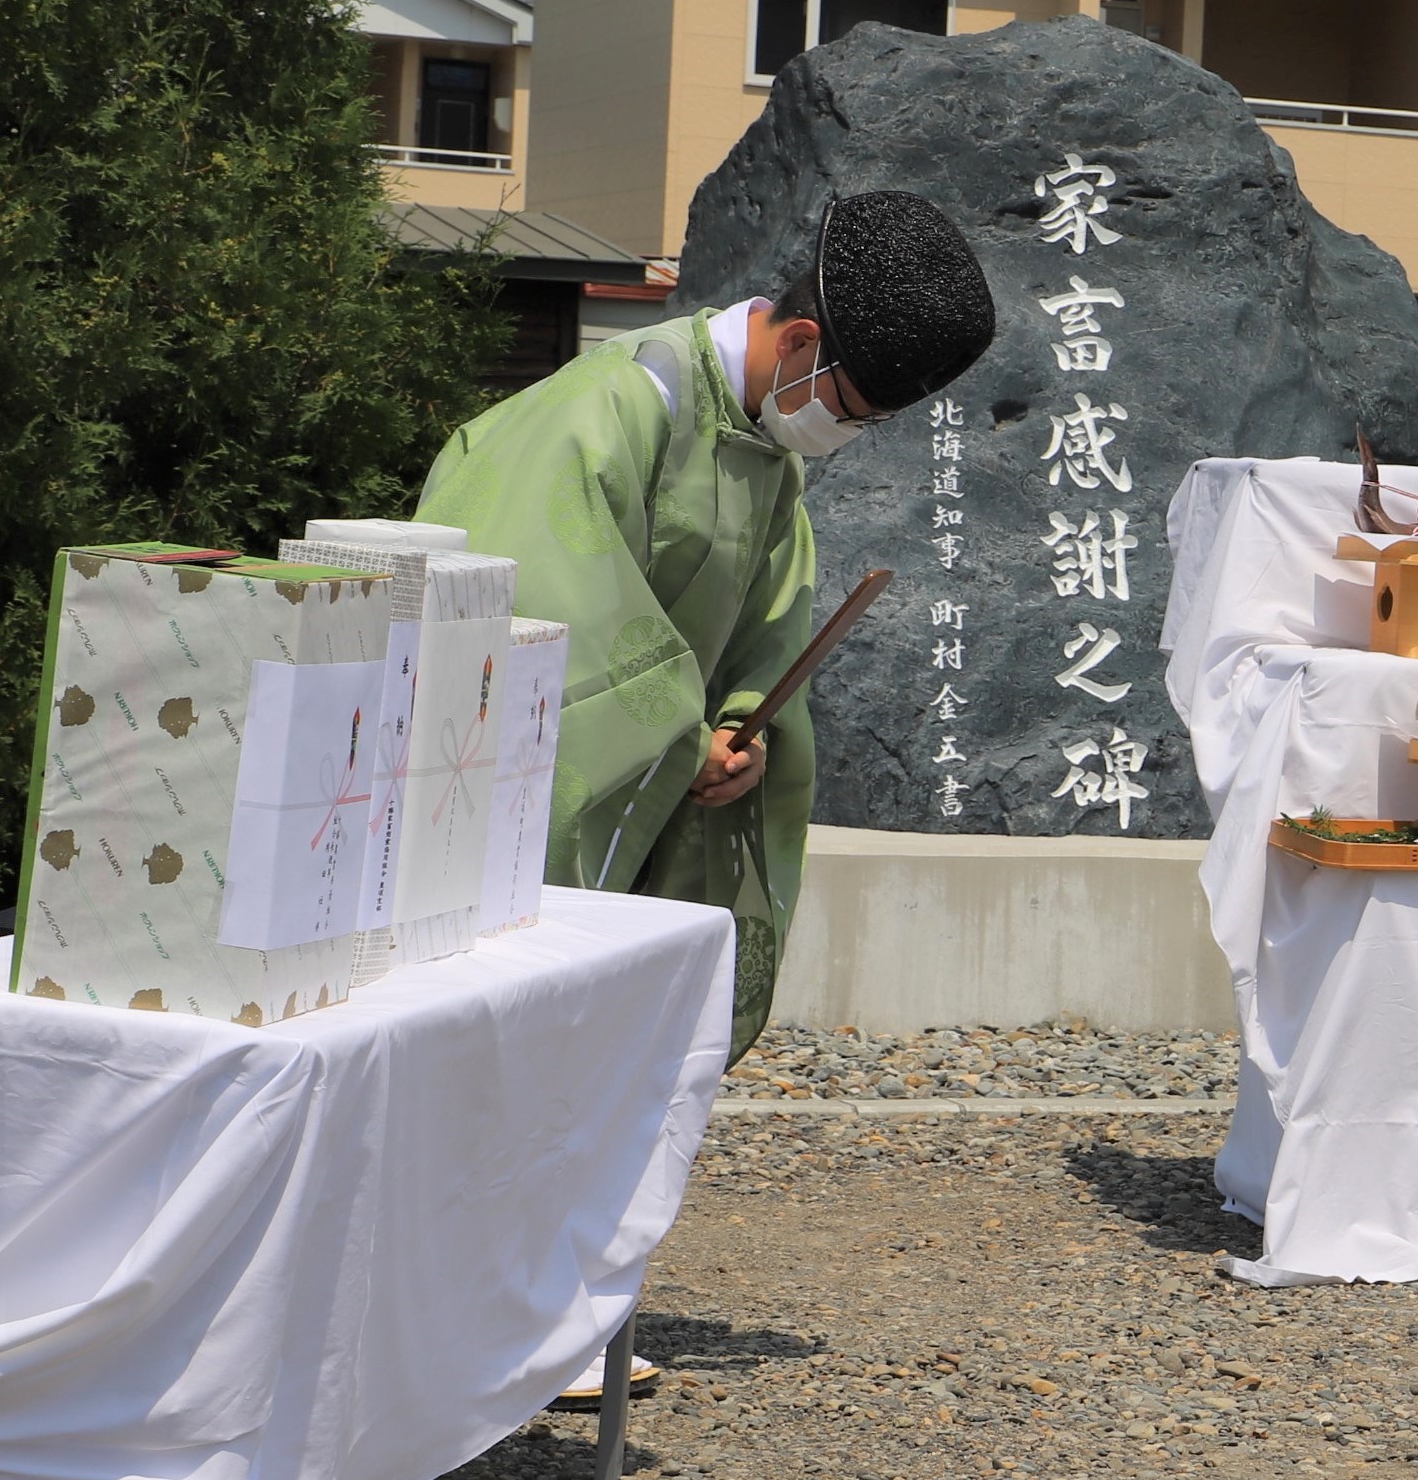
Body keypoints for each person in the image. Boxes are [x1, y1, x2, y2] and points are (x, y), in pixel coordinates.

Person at [418, 190, 998, 1055]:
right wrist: (678, 743)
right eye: (848, 411)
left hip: (658, 799)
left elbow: (770, 621)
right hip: (509, 814)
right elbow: (542, 607)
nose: (842, 433)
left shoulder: (765, 443)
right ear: (800, 342)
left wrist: (742, 727)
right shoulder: (616, 404)